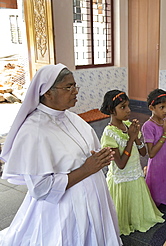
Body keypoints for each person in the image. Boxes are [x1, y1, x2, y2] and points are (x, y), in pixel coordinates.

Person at [0, 64, 122, 245]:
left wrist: (100, 158)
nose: (75, 91)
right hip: (65, 211)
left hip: (93, 201)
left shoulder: (72, 119)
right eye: (68, 87)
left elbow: (87, 154)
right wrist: (87, 168)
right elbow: (40, 188)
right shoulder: (33, 130)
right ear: (47, 93)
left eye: (75, 86)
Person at [99, 90, 164, 235]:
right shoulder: (109, 133)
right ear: (111, 110)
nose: (128, 110)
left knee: (140, 216)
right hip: (121, 182)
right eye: (123, 107)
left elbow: (142, 153)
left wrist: (136, 138)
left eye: (128, 106)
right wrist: (131, 138)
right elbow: (121, 164)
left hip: (135, 177)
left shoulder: (129, 125)